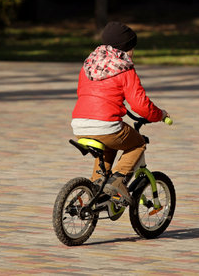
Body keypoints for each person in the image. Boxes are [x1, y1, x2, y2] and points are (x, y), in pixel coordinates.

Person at [71, 22, 169, 205]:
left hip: (79, 123)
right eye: (132, 48)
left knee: (108, 145)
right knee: (138, 144)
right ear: (124, 48)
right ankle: (118, 180)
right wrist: (159, 114)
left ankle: (96, 189)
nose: (133, 53)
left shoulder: (89, 64)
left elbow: (82, 93)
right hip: (105, 125)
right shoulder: (124, 67)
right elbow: (140, 105)